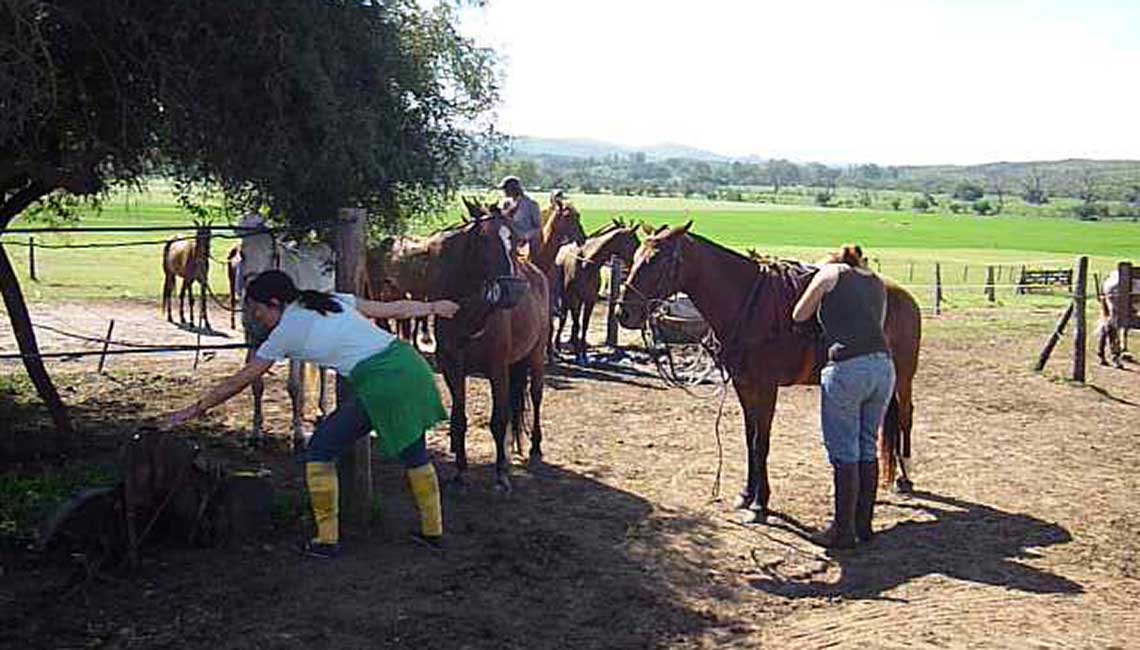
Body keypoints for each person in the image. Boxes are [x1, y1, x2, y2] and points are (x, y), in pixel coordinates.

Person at [165, 270, 460, 558]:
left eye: (257, 311)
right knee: (413, 453)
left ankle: (326, 540)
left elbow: (240, 380)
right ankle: (433, 533)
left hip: (382, 380)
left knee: (320, 450)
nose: (256, 318)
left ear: (275, 303)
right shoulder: (327, 299)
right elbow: (392, 310)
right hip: (410, 364)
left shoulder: (284, 334)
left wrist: (197, 408)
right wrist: (434, 307)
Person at [792, 244, 894, 550]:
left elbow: (799, 314)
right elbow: (879, 321)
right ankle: (864, 525)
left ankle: (841, 531)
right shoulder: (877, 281)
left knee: (843, 450)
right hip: (884, 368)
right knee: (866, 445)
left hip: (847, 368)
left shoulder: (829, 273)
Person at [499, 175, 542, 256]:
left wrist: (526, 236)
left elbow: (538, 228)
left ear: (513, 189)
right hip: (507, 241)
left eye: (505, 188)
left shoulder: (531, 204)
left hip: (524, 244)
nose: (504, 191)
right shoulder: (505, 204)